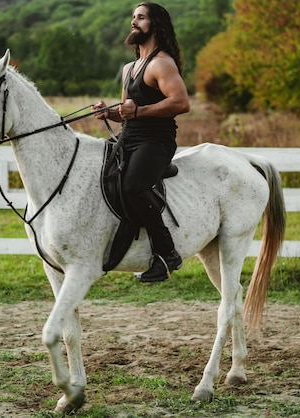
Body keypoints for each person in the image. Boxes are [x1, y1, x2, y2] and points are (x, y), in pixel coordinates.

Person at [93, 1, 190, 283]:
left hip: (156, 142)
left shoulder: (162, 63)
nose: (134, 22)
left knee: (133, 186)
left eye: (142, 17)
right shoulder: (129, 68)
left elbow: (182, 103)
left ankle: (167, 253)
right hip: (130, 138)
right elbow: (128, 112)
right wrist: (108, 112)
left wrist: (139, 111)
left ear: (155, 25)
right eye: (133, 17)